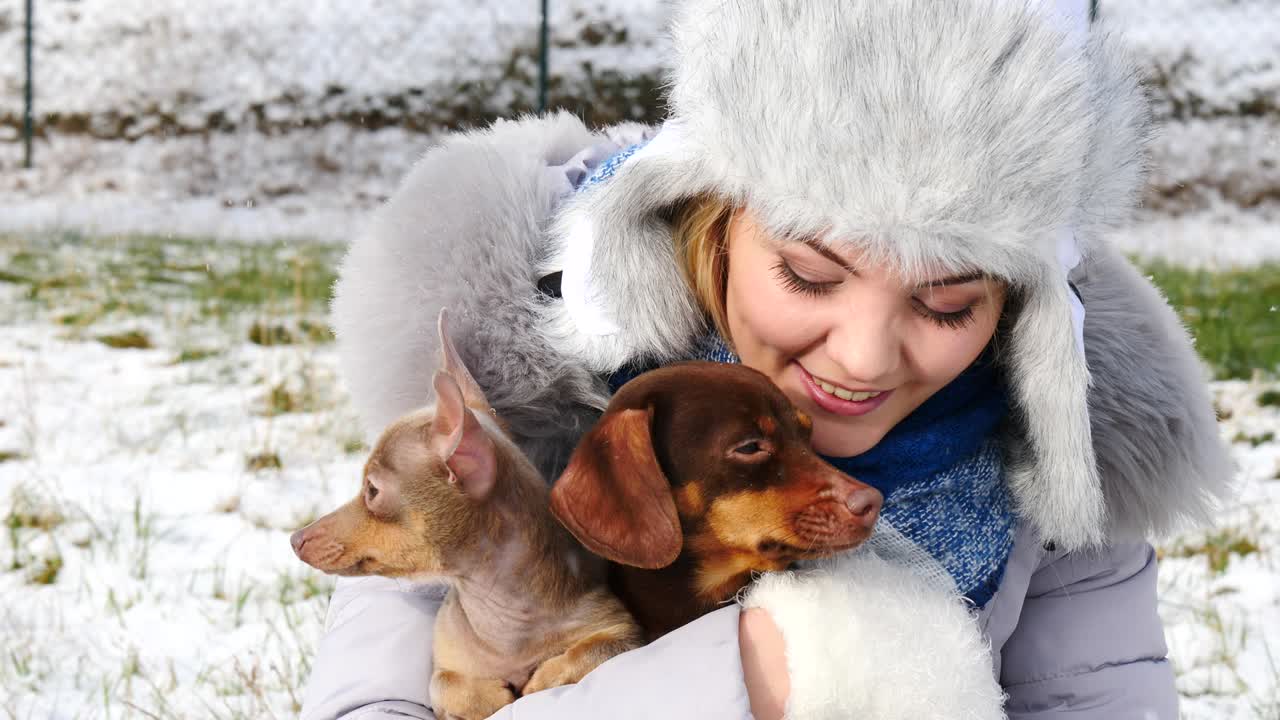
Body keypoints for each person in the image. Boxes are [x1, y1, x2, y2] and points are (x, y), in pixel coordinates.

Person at [302, 1, 1233, 718]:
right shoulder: (518, 393)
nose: (863, 359)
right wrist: (749, 677)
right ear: (710, 210)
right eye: (809, 273)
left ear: (1020, 304)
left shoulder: (1050, 451)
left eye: (948, 302)